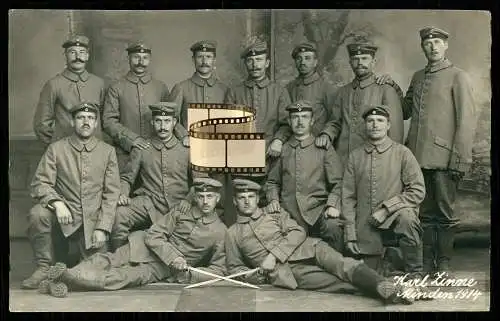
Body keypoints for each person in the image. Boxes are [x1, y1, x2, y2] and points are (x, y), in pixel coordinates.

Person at [225, 179, 417, 306]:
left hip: (310, 248)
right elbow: (234, 268)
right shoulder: (232, 233)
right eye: (241, 198)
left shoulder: (274, 213)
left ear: (258, 199)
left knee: (344, 265)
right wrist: (255, 276)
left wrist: (273, 255)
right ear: (234, 201)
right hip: (288, 272)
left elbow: (298, 231)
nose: (247, 202)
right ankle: (390, 290)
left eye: (251, 197)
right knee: (335, 284)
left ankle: (383, 285)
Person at [39, 178, 228, 298]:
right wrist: (174, 256)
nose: (204, 201)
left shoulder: (221, 231)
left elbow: (218, 268)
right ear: (195, 197)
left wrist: (189, 274)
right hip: (142, 245)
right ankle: (66, 276)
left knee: (121, 278)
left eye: (210, 197)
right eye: (201, 196)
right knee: (105, 259)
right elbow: (154, 234)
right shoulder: (181, 211)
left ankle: (65, 278)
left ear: (217, 199)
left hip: (159, 268)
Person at [401, 27, 477, 275]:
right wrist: (389, 86)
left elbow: (466, 120)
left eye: (437, 42)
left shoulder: (458, 76)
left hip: (445, 159)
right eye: (428, 42)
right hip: (416, 158)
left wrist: (459, 159)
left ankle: (442, 265)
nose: (432, 46)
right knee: (421, 211)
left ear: (446, 46)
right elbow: (404, 111)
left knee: (444, 213)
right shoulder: (418, 77)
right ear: (422, 47)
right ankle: (424, 262)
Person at [22, 102, 120, 289]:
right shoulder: (56, 149)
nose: (86, 122)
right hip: (64, 218)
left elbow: (112, 193)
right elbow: (40, 183)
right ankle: (44, 266)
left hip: (92, 222)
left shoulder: (107, 151)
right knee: (38, 214)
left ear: (96, 123)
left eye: (90, 118)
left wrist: (103, 227)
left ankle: (63, 275)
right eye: (81, 117)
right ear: (73, 121)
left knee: (93, 278)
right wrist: (57, 203)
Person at [342, 105, 426, 278]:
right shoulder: (355, 156)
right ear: (364, 125)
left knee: (408, 219)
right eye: (370, 121)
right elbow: (348, 198)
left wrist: (387, 209)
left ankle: (415, 275)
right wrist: (350, 234)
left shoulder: (402, 153)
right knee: (370, 278)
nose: (375, 125)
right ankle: (388, 264)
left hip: (394, 220)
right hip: (366, 226)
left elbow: (417, 191)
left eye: (380, 121)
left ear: (388, 125)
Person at [110, 103, 193, 251]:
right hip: (149, 203)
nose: (163, 126)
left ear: (174, 122)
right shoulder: (142, 148)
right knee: (119, 215)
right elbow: (127, 178)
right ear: (152, 122)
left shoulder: (186, 149)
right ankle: (120, 257)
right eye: (158, 121)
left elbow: (201, 181)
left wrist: (188, 199)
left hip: (178, 205)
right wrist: (123, 193)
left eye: (167, 121)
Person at [224, 41, 293, 218]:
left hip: (270, 160)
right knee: (242, 207)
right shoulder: (234, 92)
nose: (255, 65)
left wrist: (278, 140)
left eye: (259, 60)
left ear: (267, 63)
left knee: (268, 208)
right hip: (241, 163)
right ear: (246, 64)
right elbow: (226, 127)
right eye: (251, 61)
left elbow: (286, 123)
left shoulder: (279, 91)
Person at [266, 100, 344, 252]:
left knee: (333, 226)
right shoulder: (284, 149)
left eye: (305, 117)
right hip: (289, 212)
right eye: (295, 117)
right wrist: (273, 199)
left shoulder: (323, 148)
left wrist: (332, 205)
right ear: (289, 121)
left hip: (317, 211)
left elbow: (338, 183)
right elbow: (272, 182)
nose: (300, 121)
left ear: (312, 121)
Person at [167, 40, 231, 224]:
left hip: (218, 153)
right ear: (193, 60)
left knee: (219, 197)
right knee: (193, 197)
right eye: (200, 57)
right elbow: (172, 118)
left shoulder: (224, 89)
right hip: (191, 153)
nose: (204, 61)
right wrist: (184, 135)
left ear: (214, 60)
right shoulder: (181, 87)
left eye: (208, 57)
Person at [102, 41, 188, 170]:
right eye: (136, 57)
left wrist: (184, 136)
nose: (141, 62)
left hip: (156, 154)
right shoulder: (116, 88)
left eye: (145, 58)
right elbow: (108, 121)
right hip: (125, 154)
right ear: (128, 58)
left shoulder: (161, 87)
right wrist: (132, 140)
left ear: (150, 60)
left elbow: (171, 118)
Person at [316, 41, 404, 164]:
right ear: (350, 63)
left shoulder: (386, 89)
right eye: (355, 59)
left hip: (374, 159)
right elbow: (335, 121)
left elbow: (395, 132)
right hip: (344, 158)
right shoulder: (343, 92)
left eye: (364, 58)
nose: (360, 63)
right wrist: (326, 134)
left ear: (373, 62)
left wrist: (392, 161)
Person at [33, 35, 106, 145]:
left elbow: (105, 120)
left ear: (87, 56)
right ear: (65, 55)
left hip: (96, 151)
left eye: (82, 52)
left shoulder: (99, 83)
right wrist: (58, 148)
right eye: (72, 52)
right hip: (65, 154)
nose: (78, 57)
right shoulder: (53, 84)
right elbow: (41, 124)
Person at [286, 42, 337, 137]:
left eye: (307, 58)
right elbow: (284, 119)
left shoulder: (327, 88)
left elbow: (335, 120)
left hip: (317, 143)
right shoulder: (289, 88)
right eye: (299, 58)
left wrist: (326, 134)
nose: (302, 62)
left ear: (315, 62)